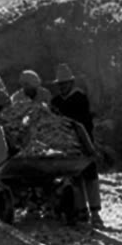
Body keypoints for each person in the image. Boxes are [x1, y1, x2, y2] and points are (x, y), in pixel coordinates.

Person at [49, 63, 102, 226]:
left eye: (65, 84)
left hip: (83, 140)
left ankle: (95, 213)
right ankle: (81, 211)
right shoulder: (56, 101)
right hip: (65, 144)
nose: (63, 87)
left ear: (71, 83)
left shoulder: (80, 98)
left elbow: (84, 123)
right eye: (60, 84)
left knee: (90, 178)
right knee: (75, 178)